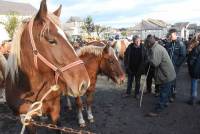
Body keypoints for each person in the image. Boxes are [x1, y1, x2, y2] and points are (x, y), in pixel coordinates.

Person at [145, 34, 176, 116]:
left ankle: (158, 110)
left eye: (146, 43)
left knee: (163, 92)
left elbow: (155, 63)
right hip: (169, 73)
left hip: (166, 74)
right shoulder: (157, 46)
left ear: (148, 43)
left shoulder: (156, 49)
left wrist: (148, 58)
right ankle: (166, 102)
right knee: (166, 90)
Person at [164, 29, 186, 102]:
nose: (170, 36)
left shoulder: (180, 44)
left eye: (172, 35)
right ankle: (168, 94)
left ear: (175, 34)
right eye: (170, 35)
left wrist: (177, 64)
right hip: (168, 66)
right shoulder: (169, 44)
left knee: (173, 81)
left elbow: (183, 55)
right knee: (168, 80)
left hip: (175, 66)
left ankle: (172, 95)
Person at [187, 35, 200, 105]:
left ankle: (193, 100)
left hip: (196, 69)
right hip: (197, 69)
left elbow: (192, 60)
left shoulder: (197, 48)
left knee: (194, 83)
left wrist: (190, 66)